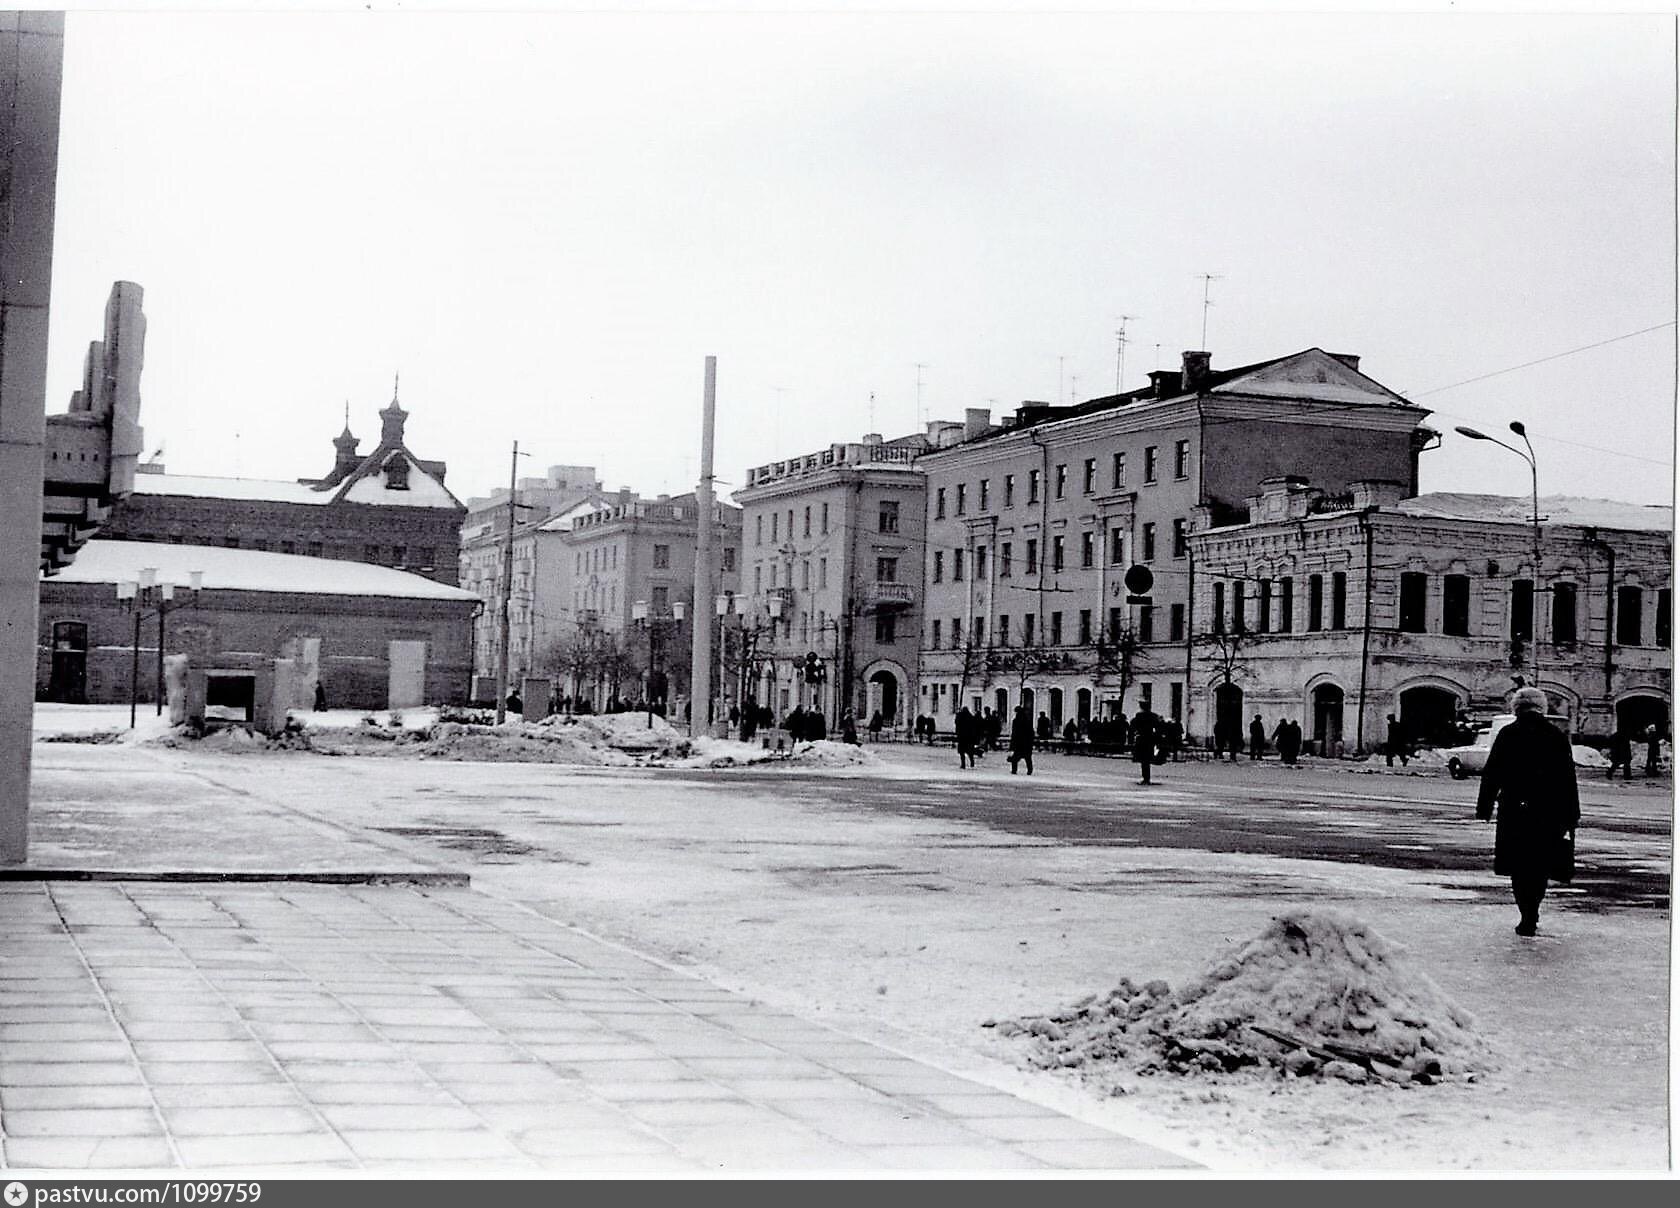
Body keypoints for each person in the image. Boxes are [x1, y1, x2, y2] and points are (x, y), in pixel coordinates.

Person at [1476, 686, 1581, 937]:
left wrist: (1485, 806)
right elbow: (1568, 778)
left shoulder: (1508, 734)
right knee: (1540, 863)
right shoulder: (1555, 735)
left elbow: (1492, 773)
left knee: (1519, 864)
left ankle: (1526, 914)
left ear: (1516, 708)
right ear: (1541, 707)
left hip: (1515, 810)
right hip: (1549, 812)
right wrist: (1571, 814)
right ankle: (1533, 911)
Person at [1132, 706, 1158, 785]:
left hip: (1142, 740)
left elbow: (1133, 725)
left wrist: (1136, 733)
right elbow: (1158, 727)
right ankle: (1147, 778)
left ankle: (1145, 778)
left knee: (1143, 761)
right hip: (1150, 740)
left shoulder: (1139, 716)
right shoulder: (1153, 716)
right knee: (1147, 760)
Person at [1008, 705, 1035, 775]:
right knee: (1028, 757)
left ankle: (1014, 770)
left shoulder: (1016, 721)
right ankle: (1030, 770)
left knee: (1015, 758)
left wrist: (1012, 745)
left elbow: (1014, 733)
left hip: (1018, 742)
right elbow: (1031, 732)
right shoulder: (1027, 720)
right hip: (1026, 742)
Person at [954, 705, 978, 769]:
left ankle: (963, 764)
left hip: (962, 737)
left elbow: (957, 723)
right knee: (970, 752)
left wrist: (957, 715)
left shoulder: (960, 717)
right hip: (969, 738)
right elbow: (974, 727)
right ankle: (972, 762)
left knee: (962, 752)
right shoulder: (970, 717)